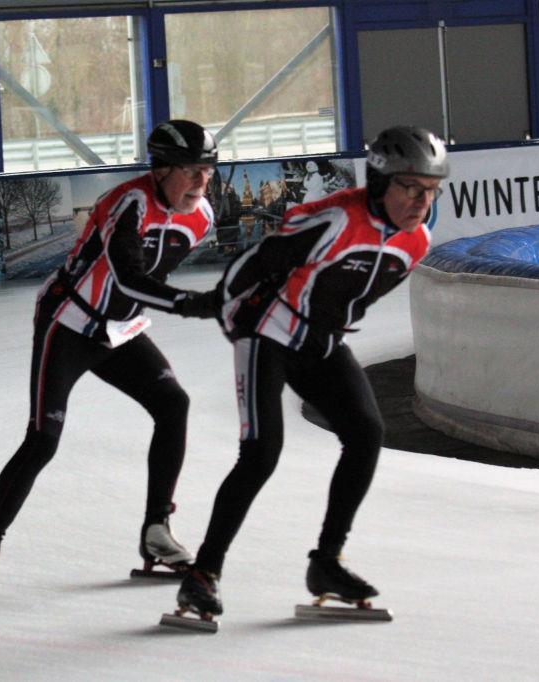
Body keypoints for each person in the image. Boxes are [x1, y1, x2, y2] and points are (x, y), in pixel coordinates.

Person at [173, 126, 449, 621]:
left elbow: (359, 294)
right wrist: (222, 307)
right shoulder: (337, 220)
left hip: (319, 344)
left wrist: (332, 324)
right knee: (261, 454)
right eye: (411, 186)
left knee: (366, 433)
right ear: (380, 182)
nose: (421, 200)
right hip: (267, 333)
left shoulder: (417, 242)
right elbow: (254, 261)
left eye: (431, 189)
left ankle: (326, 562)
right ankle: (202, 575)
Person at [0, 120, 221, 594]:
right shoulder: (128, 203)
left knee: (173, 404)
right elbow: (129, 278)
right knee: (43, 439)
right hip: (69, 323)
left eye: (208, 171)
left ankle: (157, 531)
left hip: (118, 331)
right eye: (190, 171)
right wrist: (191, 304)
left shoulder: (202, 217)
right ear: (160, 170)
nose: (201, 182)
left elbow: (136, 293)